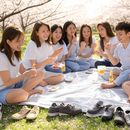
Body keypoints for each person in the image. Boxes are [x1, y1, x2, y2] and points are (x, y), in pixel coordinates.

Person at [0, 26, 45, 104]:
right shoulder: (2, 57)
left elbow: (23, 71)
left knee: (40, 74)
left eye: (22, 40)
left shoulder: (15, 55)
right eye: (18, 41)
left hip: (14, 85)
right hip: (3, 90)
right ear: (8, 42)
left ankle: (24, 91)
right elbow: (7, 82)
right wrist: (25, 75)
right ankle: (28, 92)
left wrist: (32, 73)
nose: (21, 43)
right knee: (21, 95)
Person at [101, 22, 130, 91]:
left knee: (126, 72)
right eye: (116, 34)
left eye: (120, 34)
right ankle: (122, 79)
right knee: (110, 71)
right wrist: (107, 51)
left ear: (128, 34)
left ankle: (114, 84)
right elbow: (114, 62)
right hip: (123, 70)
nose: (118, 37)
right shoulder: (118, 47)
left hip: (128, 71)